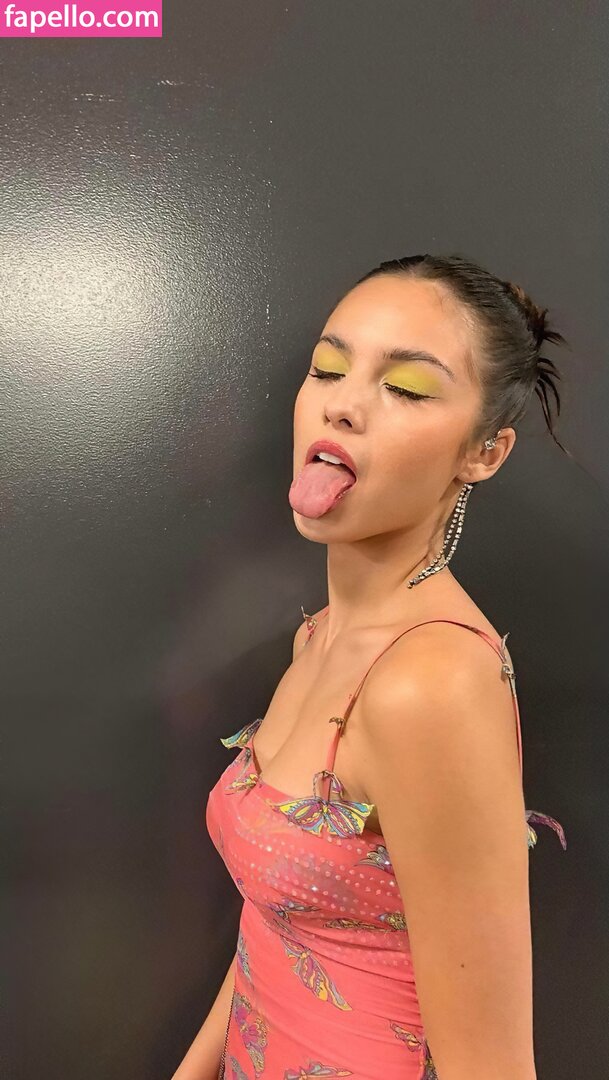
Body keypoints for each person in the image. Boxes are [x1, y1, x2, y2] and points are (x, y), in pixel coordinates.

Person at [176, 253, 569, 1080]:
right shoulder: (318, 638)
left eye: (407, 388)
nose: (343, 403)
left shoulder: (429, 684)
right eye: (327, 369)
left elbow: (491, 1066)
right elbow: (271, 930)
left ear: (483, 453)